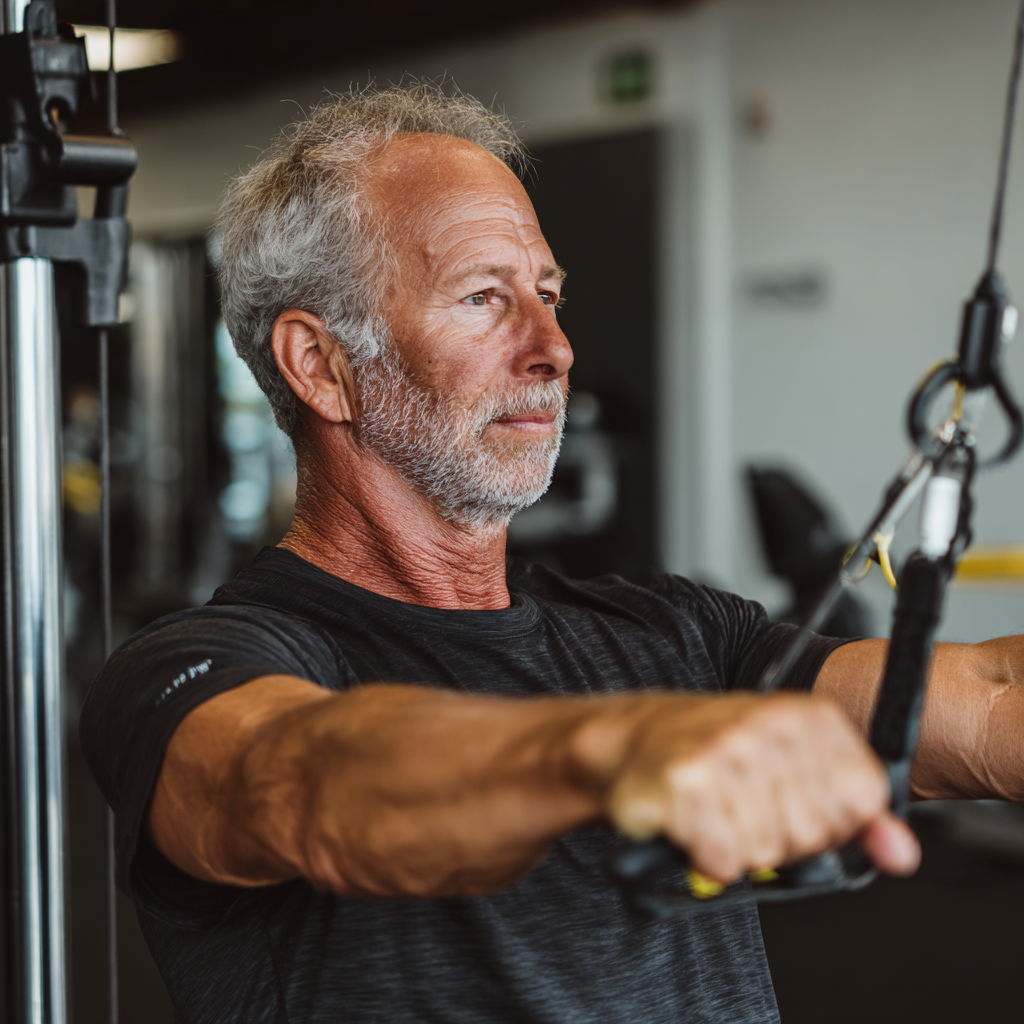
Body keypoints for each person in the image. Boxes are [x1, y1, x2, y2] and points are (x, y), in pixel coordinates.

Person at [81, 84, 1024, 1024]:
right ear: (321, 366)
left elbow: (988, 712)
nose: (555, 348)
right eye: (484, 298)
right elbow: (297, 785)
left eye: (548, 294)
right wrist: (605, 751)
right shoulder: (200, 668)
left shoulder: (677, 636)